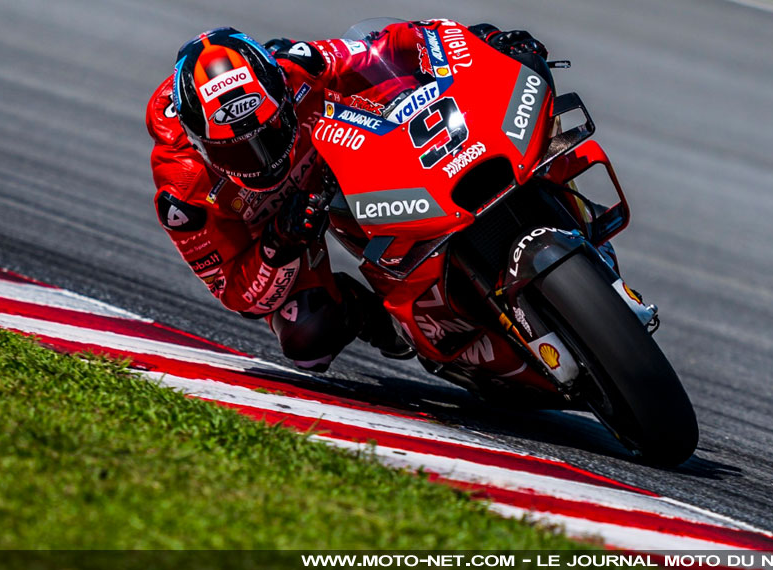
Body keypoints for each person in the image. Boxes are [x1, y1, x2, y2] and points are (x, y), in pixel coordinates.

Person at [145, 20, 548, 372]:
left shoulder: (298, 66)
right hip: (281, 229)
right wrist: (278, 244)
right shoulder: (182, 191)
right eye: (235, 152)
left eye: (270, 133)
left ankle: (537, 194)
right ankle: (375, 318)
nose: (263, 161)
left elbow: (390, 46)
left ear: (281, 93)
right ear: (198, 142)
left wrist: (483, 42)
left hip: (340, 160)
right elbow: (238, 295)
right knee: (308, 336)